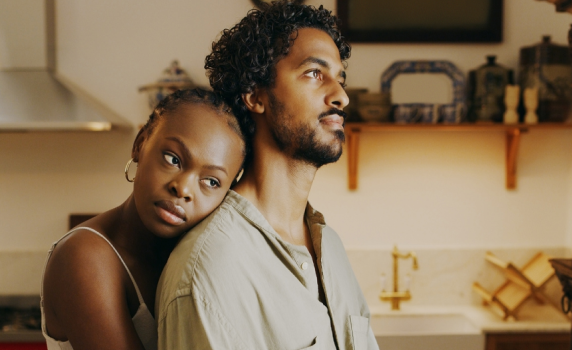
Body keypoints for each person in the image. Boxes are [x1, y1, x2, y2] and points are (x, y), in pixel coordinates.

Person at [156, 2, 380, 350]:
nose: (341, 96)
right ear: (255, 96)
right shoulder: (211, 269)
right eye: (314, 73)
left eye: (340, 78)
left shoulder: (329, 246)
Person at [40, 88, 247, 350]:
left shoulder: (195, 259)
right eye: (173, 159)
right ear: (141, 144)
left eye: (210, 181)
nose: (182, 189)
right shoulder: (84, 256)